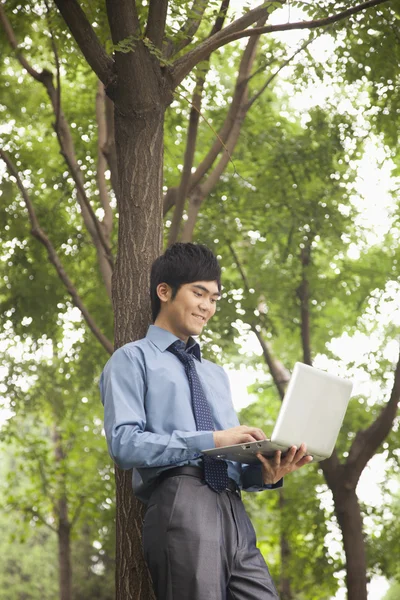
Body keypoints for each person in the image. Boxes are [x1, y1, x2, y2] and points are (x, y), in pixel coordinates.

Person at [100, 242, 312, 600]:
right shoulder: (131, 360)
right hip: (181, 503)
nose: (207, 307)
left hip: (234, 511)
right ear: (164, 291)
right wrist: (211, 440)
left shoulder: (215, 374)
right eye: (199, 293)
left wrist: (266, 473)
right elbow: (124, 444)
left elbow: (228, 455)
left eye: (214, 298)